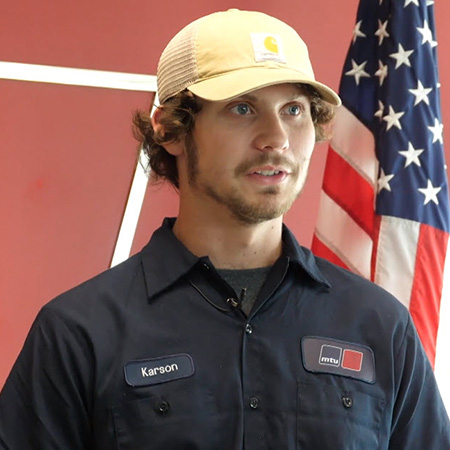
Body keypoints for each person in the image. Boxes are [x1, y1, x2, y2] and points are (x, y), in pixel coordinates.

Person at [1, 8, 449, 449]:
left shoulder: (380, 325)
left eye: (294, 109)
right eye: (242, 108)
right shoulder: (78, 332)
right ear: (170, 131)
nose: (276, 137)